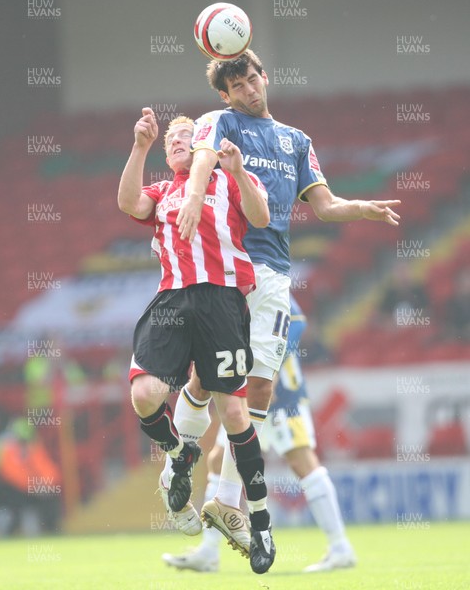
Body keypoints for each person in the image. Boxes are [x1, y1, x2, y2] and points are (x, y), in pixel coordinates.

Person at [158, 49, 401, 561]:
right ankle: (178, 462)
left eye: (252, 80)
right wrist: (197, 198)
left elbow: (327, 205)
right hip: (226, 267)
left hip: (272, 274)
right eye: (237, 86)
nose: (249, 90)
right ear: (224, 95)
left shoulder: (297, 140)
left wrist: (363, 209)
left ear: (264, 78)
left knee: (260, 385)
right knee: (207, 376)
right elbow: (200, 159)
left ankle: (226, 501)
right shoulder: (219, 122)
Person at [118, 109, 276, 574]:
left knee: (233, 413)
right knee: (145, 394)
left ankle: (260, 522)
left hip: (223, 301)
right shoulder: (163, 190)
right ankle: (179, 452)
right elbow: (129, 203)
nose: (180, 143)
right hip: (171, 301)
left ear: (204, 143)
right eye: (173, 141)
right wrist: (140, 145)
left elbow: (262, 216)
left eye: (189, 137)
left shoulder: (227, 181)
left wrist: (239, 170)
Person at [162, 294, 356, 573]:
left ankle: (340, 547)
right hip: (246, 396)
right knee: (218, 460)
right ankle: (208, 551)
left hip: (282, 397)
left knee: (301, 460)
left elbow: (298, 320)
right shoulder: (229, 283)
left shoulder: (264, 276)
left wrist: (274, 365)